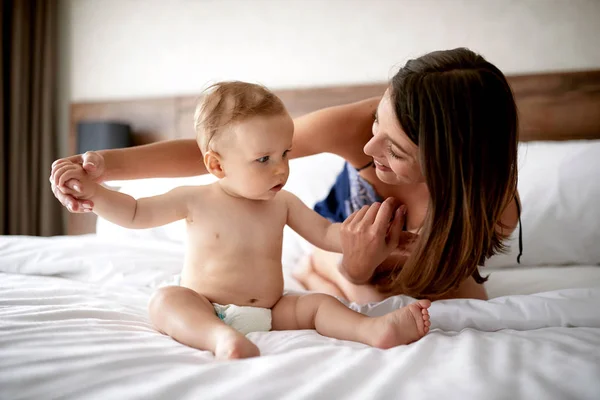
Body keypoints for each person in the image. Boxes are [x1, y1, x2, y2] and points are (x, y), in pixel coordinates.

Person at [50, 47, 521, 304]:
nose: (369, 145)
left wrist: (371, 273)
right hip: (331, 256)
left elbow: (444, 279)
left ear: (451, 160)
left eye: (394, 148)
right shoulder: (351, 126)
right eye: (378, 121)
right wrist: (104, 165)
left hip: (391, 271)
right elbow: (221, 151)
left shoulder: (492, 207)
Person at [56, 81, 431, 359]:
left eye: (285, 153)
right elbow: (136, 213)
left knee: (319, 305)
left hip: (271, 310)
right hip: (208, 304)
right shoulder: (194, 198)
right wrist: (97, 194)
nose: (282, 168)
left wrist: (382, 242)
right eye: (264, 159)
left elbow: (328, 233)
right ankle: (219, 338)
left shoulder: (283, 202)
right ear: (216, 164)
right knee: (166, 300)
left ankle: (373, 330)